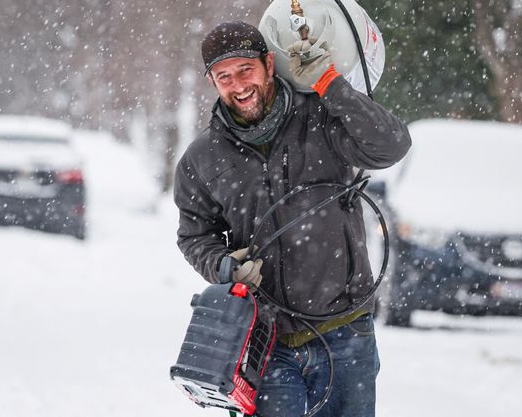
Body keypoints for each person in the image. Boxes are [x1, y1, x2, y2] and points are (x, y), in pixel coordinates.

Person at [173, 21, 411, 417]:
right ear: (213, 82)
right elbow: (195, 236)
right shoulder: (202, 158)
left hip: (345, 330)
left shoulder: (321, 117)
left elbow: (391, 145)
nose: (238, 85)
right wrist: (223, 265)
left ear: (269, 63)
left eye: (245, 70)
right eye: (224, 77)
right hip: (265, 341)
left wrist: (329, 82)